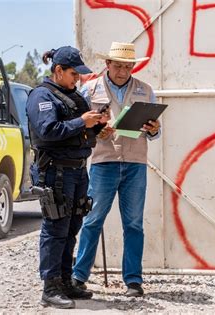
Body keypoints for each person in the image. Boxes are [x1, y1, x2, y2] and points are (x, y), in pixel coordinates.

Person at [72, 42, 161, 297]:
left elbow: (155, 132)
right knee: (92, 220)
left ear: (133, 66)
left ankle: (133, 281)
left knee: (133, 223)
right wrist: (97, 132)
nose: (123, 71)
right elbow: (81, 127)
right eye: (118, 65)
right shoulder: (89, 90)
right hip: (104, 162)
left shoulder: (146, 90)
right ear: (107, 64)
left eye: (127, 66)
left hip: (135, 163)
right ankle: (79, 276)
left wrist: (154, 129)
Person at [26, 46, 108, 309]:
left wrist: (98, 125)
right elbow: (47, 130)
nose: (78, 79)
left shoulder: (73, 96)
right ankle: (49, 288)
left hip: (77, 170)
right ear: (58, 70)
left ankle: (64, 281)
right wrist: (81, 123)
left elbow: (82, 132)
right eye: (74, 74)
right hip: (55, 171)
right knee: (56, 228)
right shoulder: (42, 95)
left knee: (73, 226)